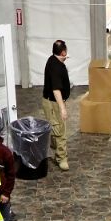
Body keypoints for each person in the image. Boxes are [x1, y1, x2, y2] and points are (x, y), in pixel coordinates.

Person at [43, 40, 71, 171]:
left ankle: (53, 150)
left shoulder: (53, 59)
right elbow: (56, 89)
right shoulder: (56, 68)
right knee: (60, 130)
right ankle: (61, 158)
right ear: (64, 52)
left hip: (51, 101)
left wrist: (63, 58)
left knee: (55, 128)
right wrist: (62, 108)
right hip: (54, 103)